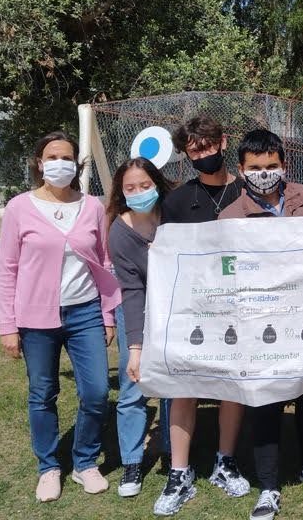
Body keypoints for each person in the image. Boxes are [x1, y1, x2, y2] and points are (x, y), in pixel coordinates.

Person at [218, 128, 303, 520]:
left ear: (284, 165)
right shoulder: (230, 217)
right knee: (265, 402)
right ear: (241, 170)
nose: (264, 173)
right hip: (259, 323)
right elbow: (225, 271)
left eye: (271, 165)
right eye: (255, 167)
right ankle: (268, 486)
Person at [0, 131, 122, 502]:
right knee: (43, 393)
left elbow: (104, 261)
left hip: (85, 313)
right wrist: (7, 326)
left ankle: (84, 462)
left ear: (76, 164)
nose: (59, 164)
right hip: (35, 318)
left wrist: (107, 315)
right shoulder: (20, 207)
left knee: (97, 392)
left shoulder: (93, 206)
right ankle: (49, 467)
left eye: (66, 157)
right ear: (40, 163)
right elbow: (7, 269)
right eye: (52, 157)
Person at [154, 115, 251, 516]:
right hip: (192, 308)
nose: (203, 155)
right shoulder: (177, 201)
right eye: (194, 151)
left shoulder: (248, 191)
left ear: (223, 142)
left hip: (239, 307)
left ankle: (225, 461)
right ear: (186, 155)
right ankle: (180, 472)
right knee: (184, 386)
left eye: (208, 147)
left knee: (232, 384)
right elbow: (168, 259)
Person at [105, 157, 174, 498]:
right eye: (130, 188)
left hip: (175, 309)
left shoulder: (173, 216)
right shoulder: (119, 233)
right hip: (137, 309)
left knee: (173, 381)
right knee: (134, 384)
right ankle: (132, 461)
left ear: (157, 184)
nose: (139, 192)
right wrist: (136, 348)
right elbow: (131, 291)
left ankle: (175, 451)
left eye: (145, 185)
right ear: (121, 192)